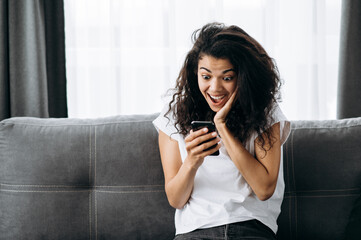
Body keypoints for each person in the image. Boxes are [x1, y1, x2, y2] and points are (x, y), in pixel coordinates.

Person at [153, 22, 290, 240]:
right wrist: (192, 161)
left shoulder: (266, 112)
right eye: (206, 76)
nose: (215, 88)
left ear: (244, 77)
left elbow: (264, 189)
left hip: (250, 228)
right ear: (195, 73)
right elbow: (176, 200)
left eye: (227, 78)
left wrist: (222, 127)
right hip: (194, 231)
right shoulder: (174, 117)